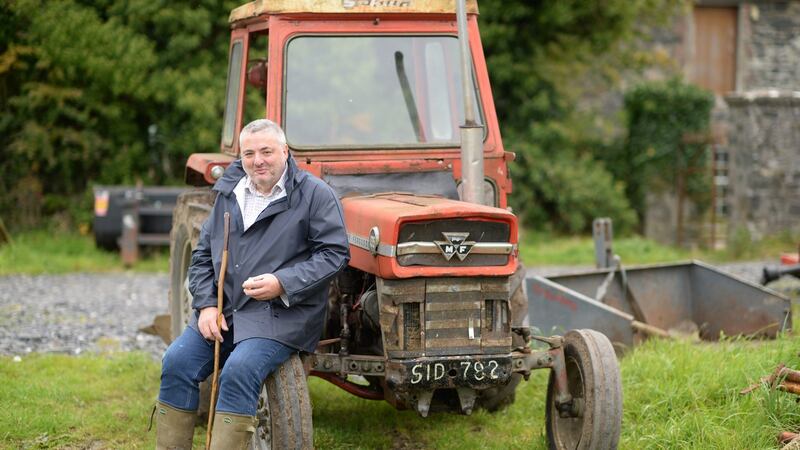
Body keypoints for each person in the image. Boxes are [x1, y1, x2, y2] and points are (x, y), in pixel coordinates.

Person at [155, 119, 350, 449]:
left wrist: (282, 282)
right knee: (176, 362)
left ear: (285, 152)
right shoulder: (229, 193)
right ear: (241, 157)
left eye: (266, 151)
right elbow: (203, 254)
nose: (258, 160)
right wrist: (205, 304)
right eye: (249, 153)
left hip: (280, 317)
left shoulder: (315, 195)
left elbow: (334, 253)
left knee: (239, 370)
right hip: (225, 312)